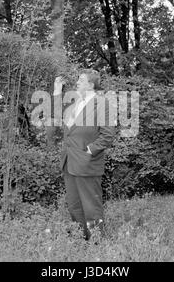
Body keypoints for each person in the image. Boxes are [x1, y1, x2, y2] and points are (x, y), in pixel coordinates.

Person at [53, 69, 115, 240]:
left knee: (91, 206)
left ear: (91, 84)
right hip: (69, 162)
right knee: (74, 205)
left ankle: (97, 242)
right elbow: (58, 119)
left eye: (81, 79)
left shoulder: (102, 104)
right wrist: (57, 92)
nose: (77, 82)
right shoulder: (75, 103)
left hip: (87, 163)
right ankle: (82, 239)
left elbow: (108, 135)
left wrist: (90, 150)